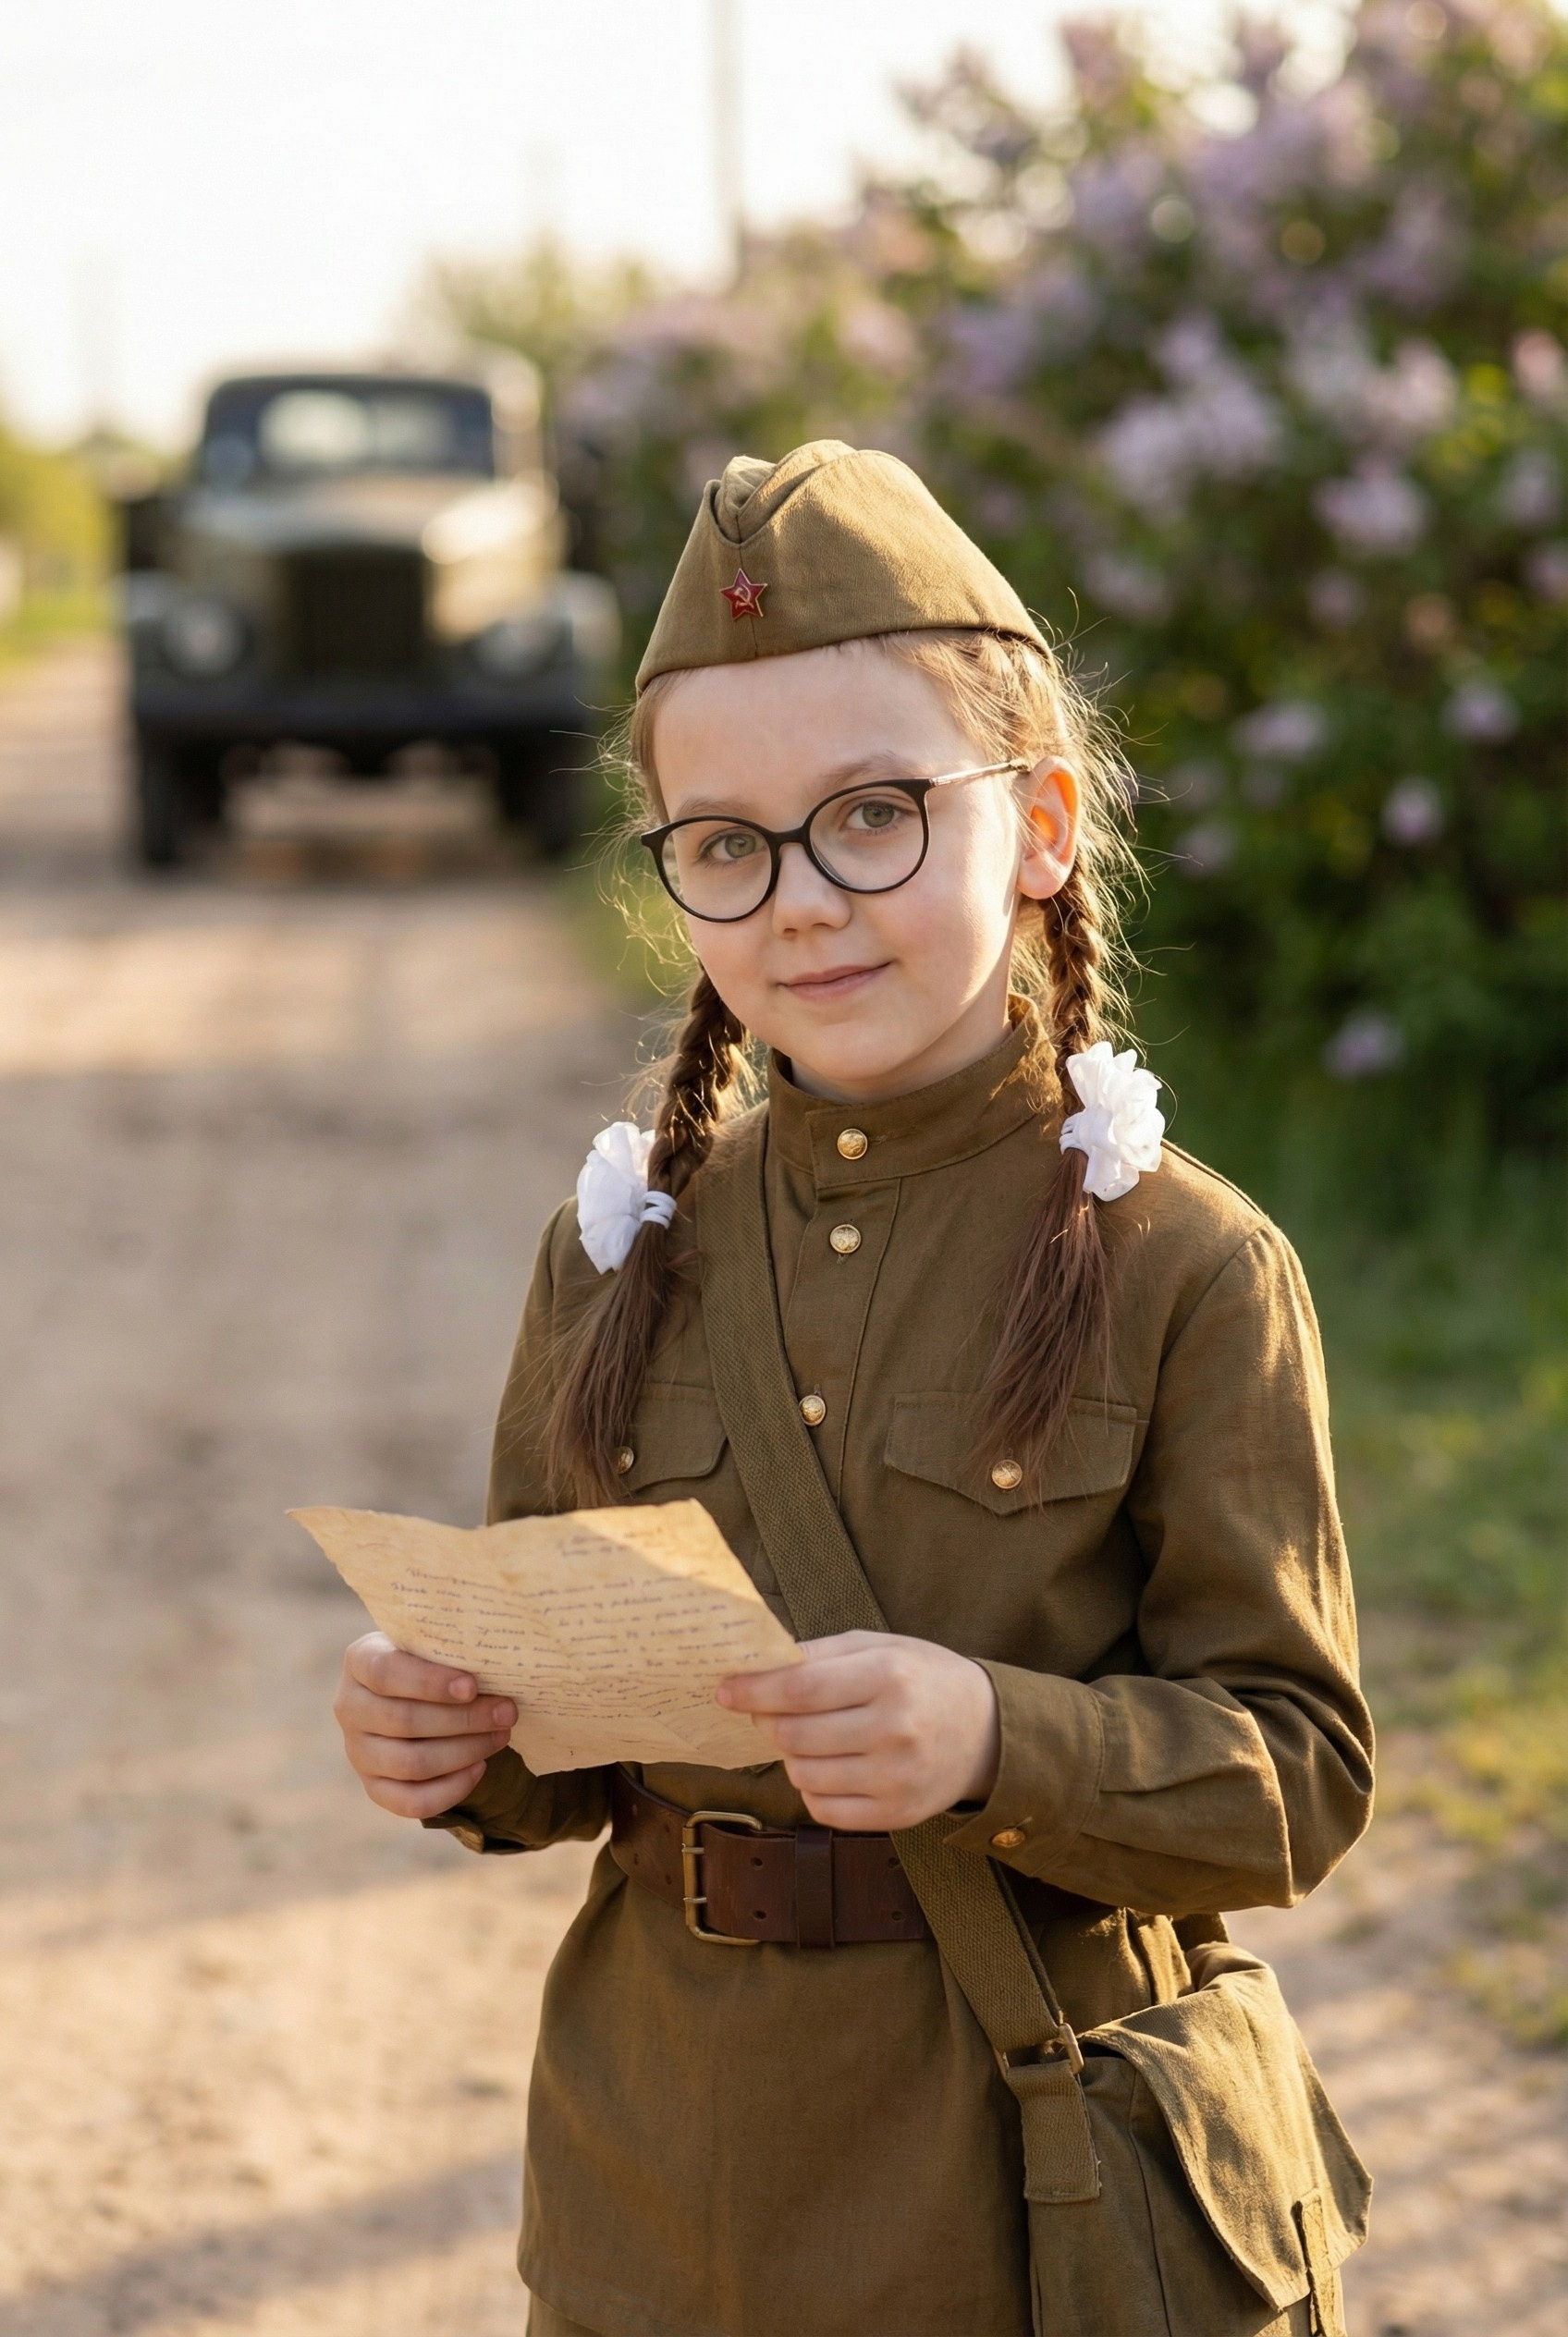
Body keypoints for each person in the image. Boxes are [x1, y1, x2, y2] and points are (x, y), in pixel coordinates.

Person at [333, 441, 1374, 2337]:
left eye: (873, 815)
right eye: (725, 843)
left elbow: (1294, 1775)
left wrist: (994, 1736)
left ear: (1038, 822)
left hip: (1014, 2195)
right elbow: (558, 1747)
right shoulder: (614, 1257)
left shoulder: (1186, 1265)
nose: (801, 900)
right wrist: (451, 1743)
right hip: (656, 2198)